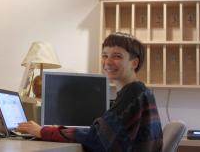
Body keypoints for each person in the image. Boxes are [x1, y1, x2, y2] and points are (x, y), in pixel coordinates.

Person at [17, 32, 163, 152]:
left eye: (117, 56)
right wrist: (58, 130)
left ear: (134, 63)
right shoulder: (139, 91)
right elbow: (101, 134)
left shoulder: (133, 92)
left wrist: (43, 132)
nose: (108, 62)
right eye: (105, 55)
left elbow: (98, 139)